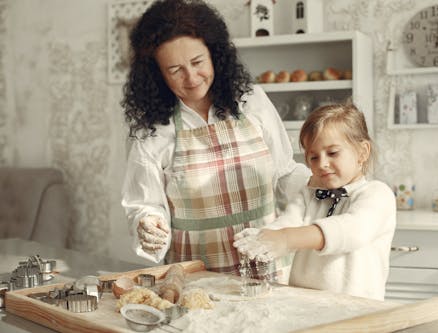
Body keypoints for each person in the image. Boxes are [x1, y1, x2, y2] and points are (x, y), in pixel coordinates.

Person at [120, 0, 309, 280]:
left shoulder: (250, 100)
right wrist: (149, 223)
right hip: (196, 281)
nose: (192, 77)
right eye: (175, 70)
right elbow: (145, 204)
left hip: (271, 273)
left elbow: (284, 173)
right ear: (157, 75)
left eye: (197, 62)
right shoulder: (152, 131)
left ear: (215, 54)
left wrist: (328, 187)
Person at [234, 104, 396, 300]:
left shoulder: (377, 194)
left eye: (333, 153)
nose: (322, 164)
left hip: (357, 310)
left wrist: (286, 239)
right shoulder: (309, 193)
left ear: (362, 152)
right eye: (313, 157)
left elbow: (351, 230)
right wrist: (263, 237)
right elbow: (289, 222)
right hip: (305, 303)